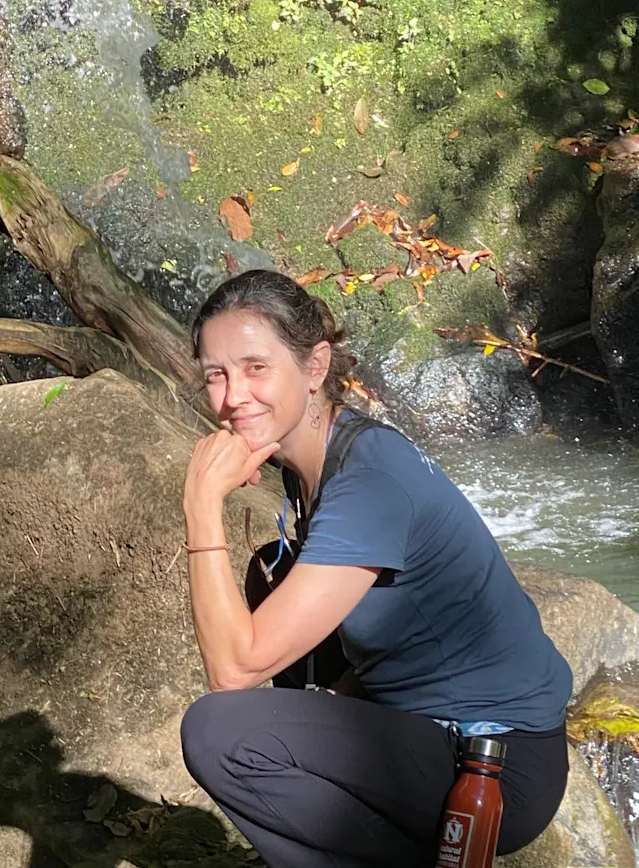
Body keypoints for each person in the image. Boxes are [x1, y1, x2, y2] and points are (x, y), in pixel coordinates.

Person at [179, 269, 572, 868]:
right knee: (271, 576)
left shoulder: (368, 482)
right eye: (216, 374)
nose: (233, 396)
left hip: (493, 763)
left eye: (256, 367)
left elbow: (233, 671)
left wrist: (201, 504)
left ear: (315, 366)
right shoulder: (319, 459)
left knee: (219, 733)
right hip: (420, 725)